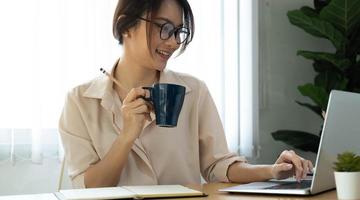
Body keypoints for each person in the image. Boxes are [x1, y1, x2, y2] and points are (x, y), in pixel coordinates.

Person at [59, 0, 313, 189]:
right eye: (164, 28)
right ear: (125, 25)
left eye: (179, 31)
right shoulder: (80, 100)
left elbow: (219, 166)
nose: (174, 42)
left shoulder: (194, 91)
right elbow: (88, 189)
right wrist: (127, 136)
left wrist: (272, 170)